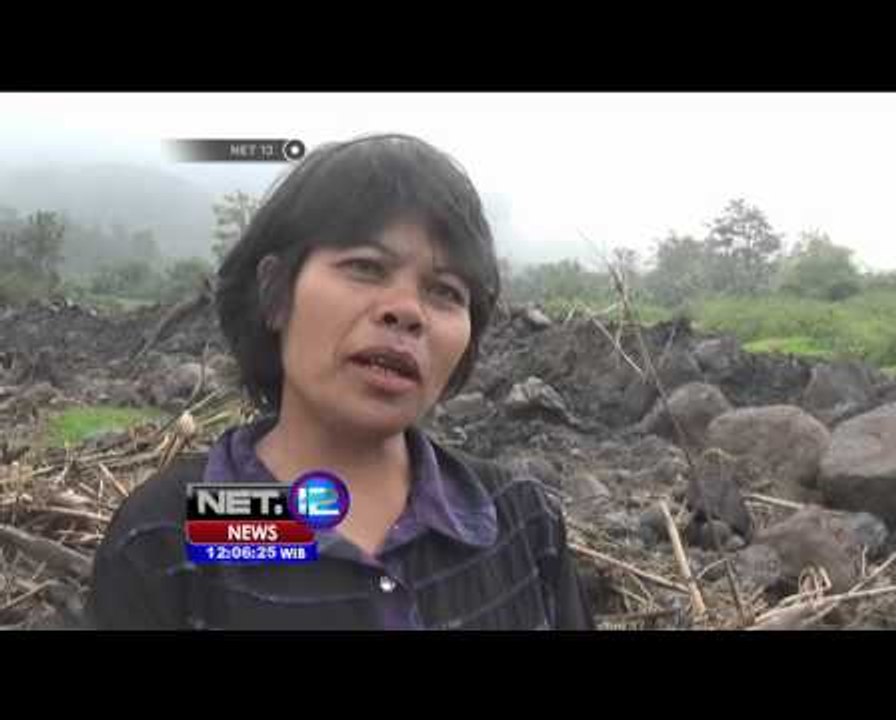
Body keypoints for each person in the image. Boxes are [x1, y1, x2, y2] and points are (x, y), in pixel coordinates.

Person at [86, 133, 595, 630]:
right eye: (367, 268)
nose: (407, 311)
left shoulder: (520, 522)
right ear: (275, 293)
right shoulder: (173, 534)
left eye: (445, 291)